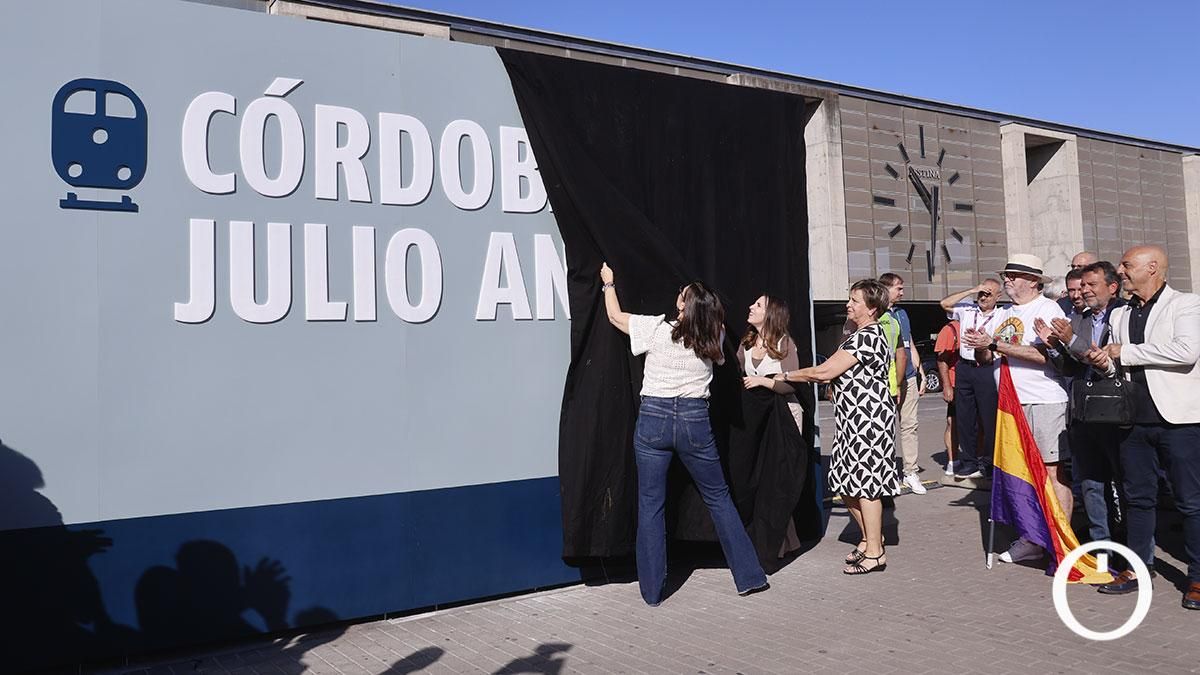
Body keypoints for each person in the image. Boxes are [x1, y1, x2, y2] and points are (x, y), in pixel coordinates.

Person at [598, 263, 768, 605]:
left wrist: (608, 284)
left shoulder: (657, 330)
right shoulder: (714, 335)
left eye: (682, 294)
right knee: (719, 498)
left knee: (650, 504)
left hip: (653, 419)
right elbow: (715, 339)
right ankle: (749, 576)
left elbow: (615, 317)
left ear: (682, 305)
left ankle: (651, 591)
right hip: (694, 421)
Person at [1084, 246, 1200, 610]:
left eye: (1127, 264)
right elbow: (1116, 366)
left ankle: (1197, 577)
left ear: (1152, 268)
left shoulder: (1186, 304)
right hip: (1132, 420)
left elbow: (1185, 352)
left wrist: (1124, 353)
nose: (1121, 269)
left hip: (1179, 420)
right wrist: (1103, 361)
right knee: (1137, 499)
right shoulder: (1122, 313)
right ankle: (1138, 568)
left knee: (1190, 502)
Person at [777, 279, 899, 574]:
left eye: (854, 301)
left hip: (868, 421)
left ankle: (874, 552)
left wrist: (785, 374)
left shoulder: (868, 336)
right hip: (852, 421)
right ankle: (873, 539)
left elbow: (824, 371)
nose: (848, 305)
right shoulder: (859, 334)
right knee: (845, 483)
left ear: (871, 308)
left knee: (866, 486)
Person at [962, 254, 1072, 564]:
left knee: (1052, 472)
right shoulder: (1002, 314)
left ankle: (1060, 541)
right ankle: (1031, 538)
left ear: (1034, 281)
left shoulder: (1048, 309)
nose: (1007, 280)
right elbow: (987, 361)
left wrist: (995, 345)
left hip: (1043, 401)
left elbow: (1045, 357)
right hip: (1010, 404)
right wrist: (981, 345)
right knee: (1021, 474)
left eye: (1015, 275)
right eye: (1007, 274)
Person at [1041, 261, 1125, 556]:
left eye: (1091, 285)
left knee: (1123, 482)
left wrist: (1070, 340)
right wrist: (1053, 346)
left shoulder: (1124, 315)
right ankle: (1101, 548)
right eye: (1081, 286)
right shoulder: (1081, 319)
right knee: (1090, 483)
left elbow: (1103, 358)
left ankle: (1126, 543)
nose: (1084, 292)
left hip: (1117, 413)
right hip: (1085, 412)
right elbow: (1070, 365)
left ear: (1112, 288)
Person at [738, 294, 803, 556]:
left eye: (758, 305)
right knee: (763, 480)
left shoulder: (784, 343)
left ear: (771, 313)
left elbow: (793, 382)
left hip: (785, 416)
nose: (751, 307)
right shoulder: (747, 342)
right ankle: (783, 542)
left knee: (779, 480)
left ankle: (780, 544)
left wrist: (764, 381)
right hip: (759, 420)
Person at [938, 278, 1002, 479]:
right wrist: (972, 289)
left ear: (998, 296)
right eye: (981, 294)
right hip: (965, 367)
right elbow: (944, 304)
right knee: (965, 418)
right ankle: (969, 462)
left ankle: (991, 461)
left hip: (987, 368)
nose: (983, 297)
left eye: (988, 293)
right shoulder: (967, 309)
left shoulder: (1002, 314)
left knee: (989, 419)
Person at [879, 273, 926, 495]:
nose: (902, 292)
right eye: (898, 288)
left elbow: (909, 343)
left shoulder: (902, 313)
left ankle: (910, 472)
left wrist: (921, 372)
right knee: (885, 427)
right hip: (886, 379)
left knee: (910, 425)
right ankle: (887, 474)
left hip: (908, 377)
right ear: (886, 289)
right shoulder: (877, 315)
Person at [934, 319, 960, 475]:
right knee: (953, 422)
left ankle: (980, 460)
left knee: (979, 425)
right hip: (956, 382)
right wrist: (947, 385)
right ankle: (953, 461)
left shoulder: (984, 322)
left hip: (977, 382)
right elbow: (942, 359)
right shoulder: (950, 329)